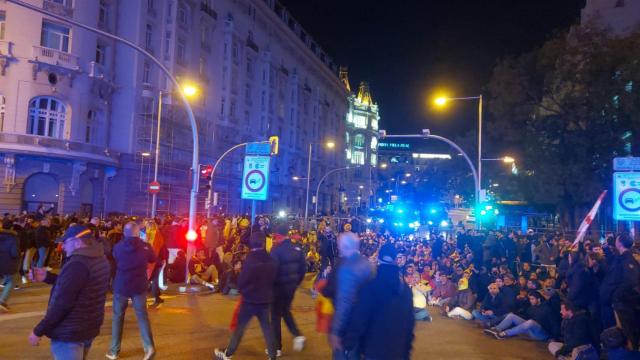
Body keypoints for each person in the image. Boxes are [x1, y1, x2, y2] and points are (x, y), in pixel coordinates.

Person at [28, 225, 110, 360]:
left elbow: (62, 304)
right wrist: (47, 277)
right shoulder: (100, 257)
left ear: (78, 242)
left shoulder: (77, 264)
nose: (63, 247)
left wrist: (38, 331)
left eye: (65, 242)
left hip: (70, 332)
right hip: (88, 327)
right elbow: (81, 285)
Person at [344, 243, 415, 360]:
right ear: (395, 260)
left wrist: (349, 343)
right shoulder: (405, 290)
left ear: (379, 259)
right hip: (398, 350)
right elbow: (410, 323)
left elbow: (360, 318)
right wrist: (407, 351)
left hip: (374, 349)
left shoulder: (370, 286)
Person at [215, 232, 278, 360]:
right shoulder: (271, 259)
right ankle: (272, 355)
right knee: (267, 328)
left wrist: (243, 290)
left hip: (250, 300)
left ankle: (228, 354)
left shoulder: (250, 259)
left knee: (240, 328)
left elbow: (242, 281)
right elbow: (274, 278)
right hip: (265, 299)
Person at [106, 222, 156, 360]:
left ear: (124, 233)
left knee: (118, 317)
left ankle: (114, 350)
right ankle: (149, 347)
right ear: (138, 232)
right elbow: (153, 259)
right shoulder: (146, 246)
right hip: (139, 286)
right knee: (142, 316)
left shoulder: (118, 247)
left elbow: (113, 261)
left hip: (121, 285)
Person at [323, 232, 373, 360]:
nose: (338, 247)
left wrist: (336, 331)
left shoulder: (347, 268)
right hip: (364, 321)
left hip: (349, 323)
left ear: (344, 246)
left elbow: (344, 302)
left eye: (339, 245)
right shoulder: (366, 262)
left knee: (343, 354)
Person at [269, 223, 308, 356]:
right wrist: (296, 282)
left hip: (278, 288)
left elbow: (272, 271)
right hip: (291, 288)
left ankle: (276, 348)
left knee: (275, 316)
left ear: (278, 236)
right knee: (285, 311)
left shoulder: (276, 250)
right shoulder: (297, 248)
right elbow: (304, 268)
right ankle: (297, 335)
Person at [485, 291, 560, 341]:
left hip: (543, 334)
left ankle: (504, 334)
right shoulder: (532, 307)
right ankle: (497, 329)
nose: (531, 301)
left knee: (531, 322)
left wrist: (553, 338)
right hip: (531, 330)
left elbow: (554, 324)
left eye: (532, 299)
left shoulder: (547, 309)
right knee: (511, 315)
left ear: (539, 299)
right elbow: (524, 317)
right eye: (530, 299)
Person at [0, 219, 19, 312]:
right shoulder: (13, 237)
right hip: (8, 263)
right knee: (12, 280)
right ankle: (2, 301)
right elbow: (14, 252)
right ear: (11, 227)